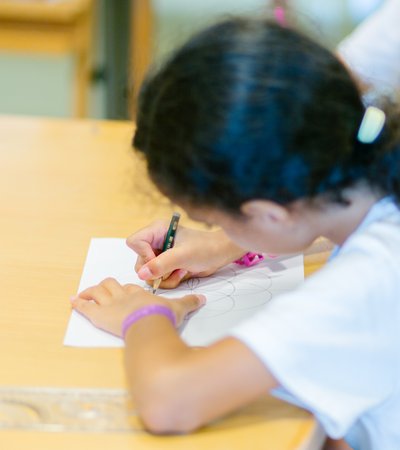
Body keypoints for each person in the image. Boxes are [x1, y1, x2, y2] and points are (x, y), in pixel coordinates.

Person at [70, 17, 400, 450]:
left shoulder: (366, 282)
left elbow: (169, 401)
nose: (220, 232)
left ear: (270, 213)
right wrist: (228, 244)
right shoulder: (372, 171)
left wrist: (144, 317)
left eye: (218, 221)